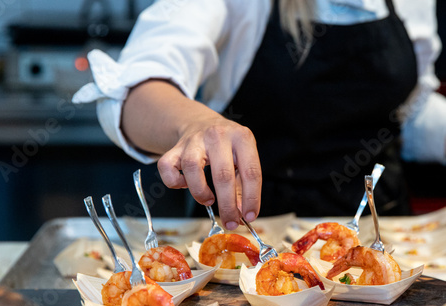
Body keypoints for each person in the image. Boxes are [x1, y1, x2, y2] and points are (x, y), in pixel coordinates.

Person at [73, 0, 446, 230]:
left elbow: (405, 113)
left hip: (384, 231)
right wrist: (196, 125)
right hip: (253, 234)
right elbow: (131, 90)